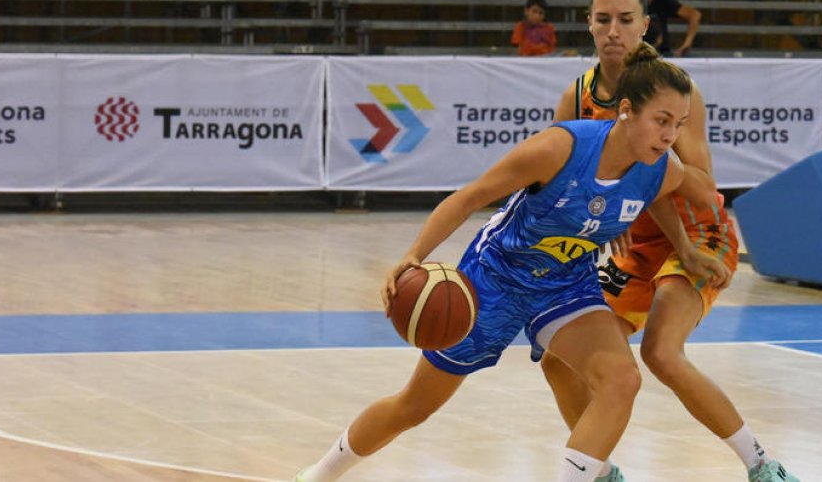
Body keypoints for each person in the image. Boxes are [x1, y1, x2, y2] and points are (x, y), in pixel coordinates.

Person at [292, 35, 714, 482]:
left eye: (679, 125)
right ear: (626, 110)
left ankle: (591, 474)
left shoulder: (661, 164)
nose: (670, 135)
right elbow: (471, 196)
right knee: (414, 406)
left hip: (565, 283)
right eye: (662, 120)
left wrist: (688, 249)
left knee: (622, 380)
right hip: (495, 279)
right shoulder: (558, 148)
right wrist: (415, 254)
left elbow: (666, 193)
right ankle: (317, 475)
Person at [539, 0, 799, 482]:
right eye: (602, 19)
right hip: (634, 243)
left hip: (695, 235)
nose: (613, 31)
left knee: (660, 351)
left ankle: (763, 465)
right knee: (559, 359)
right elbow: (566, 187)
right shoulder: (576, 97)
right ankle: (599, 469)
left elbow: (701, 181)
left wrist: (636, 177)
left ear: (645, 26)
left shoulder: (677, 91)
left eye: (625, 19)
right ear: (588, 25)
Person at [636, 0, 702, 57]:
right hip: (637, 53)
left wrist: (687, 43)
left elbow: (694, 15)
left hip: (663, 54)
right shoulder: (629, 2)